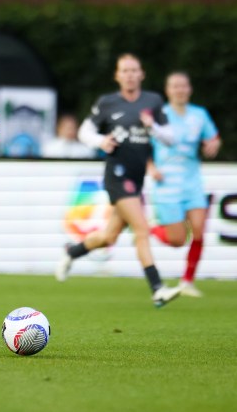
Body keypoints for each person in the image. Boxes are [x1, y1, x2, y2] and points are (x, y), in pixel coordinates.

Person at [54, 53, 182, 308]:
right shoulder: (108, 103)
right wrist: (101, 141)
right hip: (117, 176)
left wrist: (152, 127)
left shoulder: (153, 101)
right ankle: (157, 288)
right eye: (125, 71)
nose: (130, 75)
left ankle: (71, 252)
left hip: (136, 179)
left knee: (108, 237)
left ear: (142, 74)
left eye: (134, 70)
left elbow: (170, 137)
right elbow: (84, 131)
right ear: (117, 75)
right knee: (142, 229)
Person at [147, 71, 221, 297]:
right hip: (167, 184)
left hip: (192, 182)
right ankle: (148, 228)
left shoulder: (199, 114)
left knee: (199, 229)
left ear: (189, 89)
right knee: (178, 240)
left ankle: (187, 281)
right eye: (175, 86)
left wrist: (213, 144)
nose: (179, 90)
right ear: (168, 90)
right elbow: (141, 147)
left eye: (183, 86)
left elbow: (214, 137)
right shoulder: (158, 116)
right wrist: (151, 167)